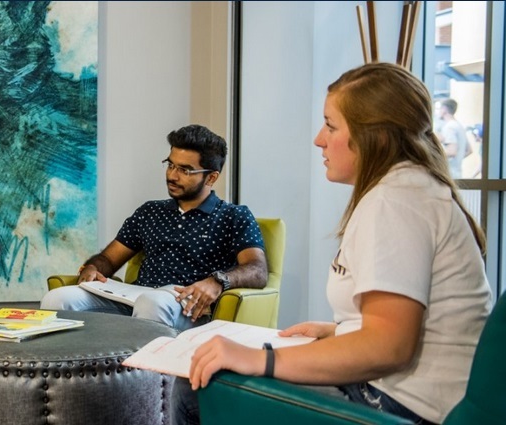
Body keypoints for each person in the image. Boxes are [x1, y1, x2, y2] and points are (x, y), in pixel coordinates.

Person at [186, 63, 492, 425]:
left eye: (331, 126)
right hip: (413, 395)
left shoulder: (395, 202)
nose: (319, 138)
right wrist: (339, 331)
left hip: (401, 405)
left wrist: (260, 358)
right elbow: (414, 324)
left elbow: (388, 347)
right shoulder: (410, 189)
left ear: (372, 137)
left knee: (196, 387)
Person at [40, 124, 268, 330]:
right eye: (170, 165)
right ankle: (68, 375)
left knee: (151, 303)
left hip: (187, 305)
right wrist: (92, 267)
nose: (172, 175)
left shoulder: (234, 216)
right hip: (134, 298)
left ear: (211, 178)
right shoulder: (151, 211)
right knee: (58, 298)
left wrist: (217, 281)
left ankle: (141, 377)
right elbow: (109, 259)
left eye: (185, 170)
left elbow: (257, 270)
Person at [437, 98, 470, 178]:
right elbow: (469, 150)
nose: (438, 112)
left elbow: (452, 152)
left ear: (444, 109)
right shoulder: (459, 126)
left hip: (449, 174)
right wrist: (457, 160)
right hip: (457, 173)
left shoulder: (449, 127)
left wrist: (432, 155)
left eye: (439, 109)